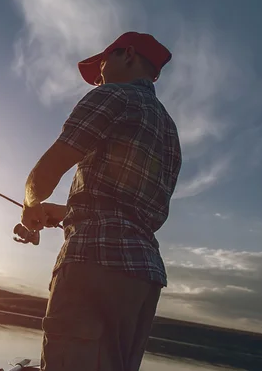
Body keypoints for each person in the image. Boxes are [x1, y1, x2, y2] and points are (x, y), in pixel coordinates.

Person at [19, 32, 182, 371]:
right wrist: (63, 213)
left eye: (101, 66)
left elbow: (45, 174)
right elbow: (128, 209)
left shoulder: (112, 96)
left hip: (91, 264)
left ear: (128, 55)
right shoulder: (169, 130)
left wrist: (30, 205)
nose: (98, 79)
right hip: (143, 278)